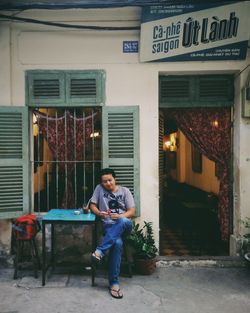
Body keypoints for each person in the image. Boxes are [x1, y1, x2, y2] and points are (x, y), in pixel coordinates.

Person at [89, 168, 135, 299]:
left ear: (115, 179)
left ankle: (99, 252)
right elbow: (92, 205)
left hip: (125, 225)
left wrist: (120, 215)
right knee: (117, 243)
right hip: (108, 227)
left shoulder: (125, 191)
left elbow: (132, 211)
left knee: (123, 220)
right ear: (101, 183)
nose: (108, 183)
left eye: (110, 180)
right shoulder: (99, 189)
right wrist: (99, 213)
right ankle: (114, 283)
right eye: (105, 181)